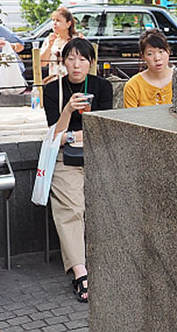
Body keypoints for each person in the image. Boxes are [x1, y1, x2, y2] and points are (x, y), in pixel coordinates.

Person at [43, 37, 113, 303]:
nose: (76, 64)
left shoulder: (102, 87)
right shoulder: (53, 91)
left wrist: (82, 124)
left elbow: (104, 128)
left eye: (83, 59)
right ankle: (80, 272)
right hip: (65, 159)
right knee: (70, 210)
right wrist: (68, 110)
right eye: (71, 58)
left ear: (91, 63)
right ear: (63, 62)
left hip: (99, 157)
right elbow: (54, 135)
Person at [124, 29, 173, 107]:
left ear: (168, 51)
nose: (157, 58)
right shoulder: (133, 85)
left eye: (161, 52)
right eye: (150, 54)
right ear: (143, 56)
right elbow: (130, 117)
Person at [40, 7, 78, 83]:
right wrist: (49, 46)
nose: (54, 23)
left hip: (72, 81)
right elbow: (42, 63)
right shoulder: (49, 39)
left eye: (58, 20)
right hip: (54, 81)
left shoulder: (77, 40)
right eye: (53, 20)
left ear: (68, 23)